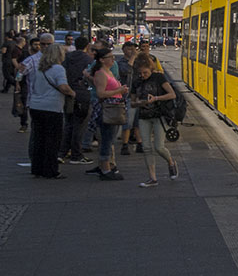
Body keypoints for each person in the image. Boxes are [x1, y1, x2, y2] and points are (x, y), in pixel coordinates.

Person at [129, 53, 178, 187]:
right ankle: (152, 178)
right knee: (146, 147)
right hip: (144, 116)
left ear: (151, 69)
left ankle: (171, 162)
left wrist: (156, 98)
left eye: (145, 73)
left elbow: (172, 94)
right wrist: (139, 103)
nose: (143, 75)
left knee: (159, 147)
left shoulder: (159, 78)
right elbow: (132, 102)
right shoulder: (136, 81)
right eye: (141, 73)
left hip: (159, 116)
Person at [27, 44, 74, 179]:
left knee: (39, 138)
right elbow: (63, 87)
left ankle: (37, 168)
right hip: (52, 107)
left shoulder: (40, 69)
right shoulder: (58, 69)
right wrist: (72, 93)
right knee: (52, 140)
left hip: (36, 106)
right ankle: (51, 170)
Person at [89, 48, 128, 181]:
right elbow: (101, 93)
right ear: (101, 60)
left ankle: (106, 167)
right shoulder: (100, 73)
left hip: (114, 108)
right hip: (107, 110)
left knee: (109, 139)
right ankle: (105, 170)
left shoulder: (109, 71)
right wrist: (119, 90)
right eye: (110, 57)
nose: (113, 59)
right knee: (107, 140)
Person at [59, 35, 94, 165]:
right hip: (83, 94)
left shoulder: (67, 57)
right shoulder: (88, 59)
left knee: (68, 123)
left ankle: (62, 152)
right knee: (80, 125)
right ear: (87, 46)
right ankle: (76, 154)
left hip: (68, 92)